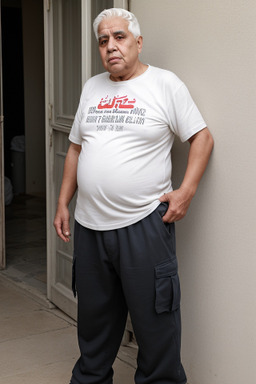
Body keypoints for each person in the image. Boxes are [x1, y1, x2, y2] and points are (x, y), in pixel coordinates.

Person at [54, 8, 214, 384]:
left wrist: (185, 192)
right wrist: (63, 202)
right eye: (104, 40)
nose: (111, 46)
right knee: (94, 326)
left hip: (143, 226)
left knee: (156, 328)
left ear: (138, 42)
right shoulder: (92, 87)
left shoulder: (164, 85)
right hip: (90, 228)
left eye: (120, 37)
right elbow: (75, 148)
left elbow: (202, 138)